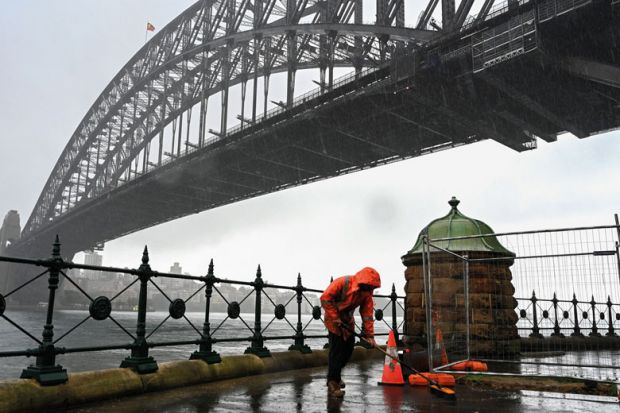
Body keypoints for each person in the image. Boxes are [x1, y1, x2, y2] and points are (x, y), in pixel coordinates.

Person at [320, 267, 381, 398]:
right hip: (333, 320)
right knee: (336, 350)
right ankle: (333, 382)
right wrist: (335, 317)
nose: (372, 290)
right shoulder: (342, 283)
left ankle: (336, 375)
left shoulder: (366, 294)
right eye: (370, 287)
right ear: (364, 283)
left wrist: (370, 336)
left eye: (373, 288)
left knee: (348, 349)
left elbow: (367, 315)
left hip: (347, 321)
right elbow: (325, 298)